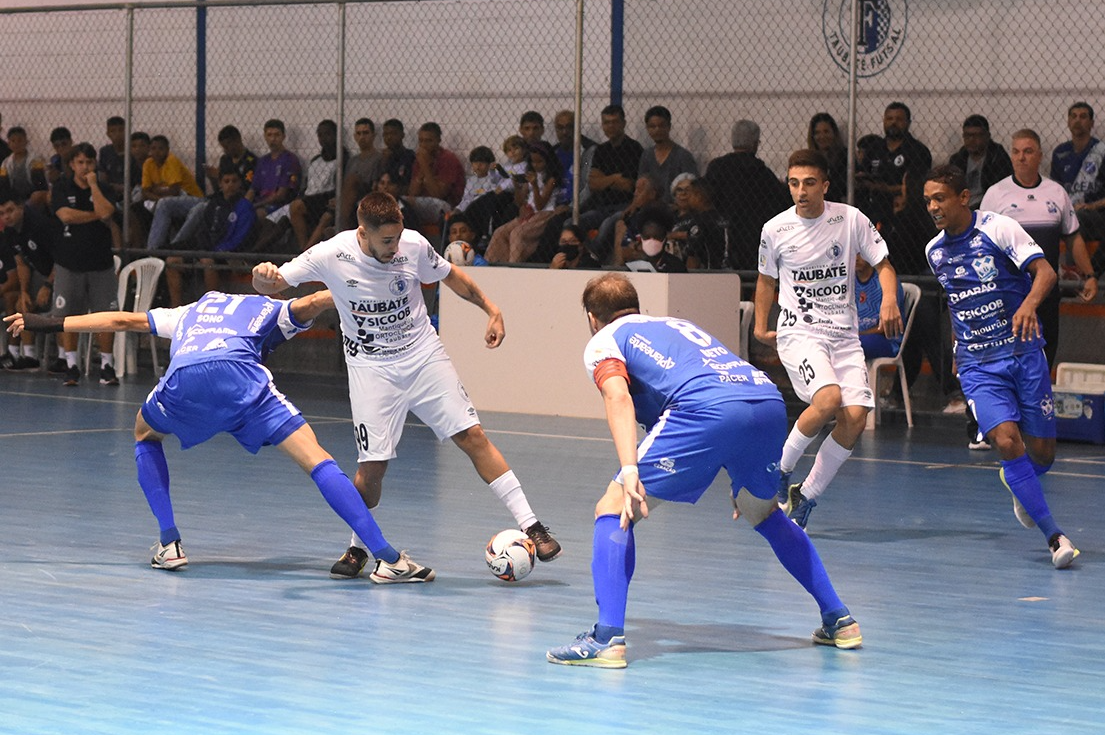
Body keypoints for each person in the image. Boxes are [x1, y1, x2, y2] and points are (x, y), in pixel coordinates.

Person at [4, 290, 435, 582]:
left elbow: (118, 319)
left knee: (144, 433)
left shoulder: (191, 311)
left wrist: (46, 323)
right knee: (315, 458)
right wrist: (375, 290)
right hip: (241, 380)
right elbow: (317, 300)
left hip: (187, 379)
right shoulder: (266, 306)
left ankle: (170, 544)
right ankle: (388, 559)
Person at [545, 273, 862, 668]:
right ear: (637, 306)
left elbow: (617, 396)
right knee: (762, 512)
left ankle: (607, 638)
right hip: (764, 401)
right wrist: (738, 461)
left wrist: (629, 470)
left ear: (593, 317)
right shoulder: (675, 325)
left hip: (706, 410)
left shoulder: (604, 340)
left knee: (613, 508)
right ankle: (839, 619)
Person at [251, 191, 562, 577]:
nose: (395, 246)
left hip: (422, 356)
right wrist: (261, 277)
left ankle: (531, 524)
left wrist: (491, 308)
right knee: (372, 468)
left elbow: (453, 277)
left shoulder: (412, 245)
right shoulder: (330, 254)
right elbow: (273, 285)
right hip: (371, 369)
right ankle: (358, 548)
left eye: (398, 237)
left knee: (473, 436)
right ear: (362, 233)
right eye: (386, 241)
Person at [922, 164, 1079, 569]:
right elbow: (959, 301)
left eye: (940, 198)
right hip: (978, 365)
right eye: (928, 201)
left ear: (962, 198)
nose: (933, 207)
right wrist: (959, 347)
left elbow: (1045, 273)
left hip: (1024, 354)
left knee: (1041, 454)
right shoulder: (935, 251)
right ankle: (1055, 537)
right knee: (1007, 442)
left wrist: (1028, 305)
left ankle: (1018, 480)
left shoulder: (998, 229)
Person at [754, 149, 902, 529]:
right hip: (799, 331)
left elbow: (884, 265)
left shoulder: (850, 219)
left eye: (808, 183)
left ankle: (805, 496)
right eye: (793, 183)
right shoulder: (775, 229)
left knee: (854, 418)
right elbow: (766, 281)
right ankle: (780, 470)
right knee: (829, 399)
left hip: (843, 334)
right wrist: (758, 325)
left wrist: (888, 299)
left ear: (825, 186)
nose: (800, 191)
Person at [981, 128, 1098, 369]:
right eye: (1016, 152)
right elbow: (982, 245)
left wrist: (1089, 276)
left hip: (1046, 292)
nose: (1021, 157)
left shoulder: (1056, 192)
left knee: (1045, 357)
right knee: (1010, 362)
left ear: (1040, 156)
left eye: (1028, 151)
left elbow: (1073, 237)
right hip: (1008, 292)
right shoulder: (995, 194)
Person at [50, 142, 120, 386]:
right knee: (67, 316)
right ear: (71, 165)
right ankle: (71, 365)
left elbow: (107, 212)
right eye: (80, 162)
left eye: (89, 162)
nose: (85, 167)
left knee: (106, 316)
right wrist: (94, 216)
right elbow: (65, 215)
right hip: (69, 264)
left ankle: (107, 366)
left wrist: (93, 185)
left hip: (101, 264)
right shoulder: (61, 188)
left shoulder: (104, 188)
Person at [854, 102, 934, 274]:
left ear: (908, 122)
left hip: (906, 218)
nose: (893, 123)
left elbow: (916, 186)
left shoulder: (918, 151)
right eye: (889, 118)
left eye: (898, 119)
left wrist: (884, 188)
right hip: (874, 213)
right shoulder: (874, 149)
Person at [704, 119, 790, 270]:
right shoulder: (761, 172)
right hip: (753, 236)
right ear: (756, 143)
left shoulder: (717, 167)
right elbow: (779, 201)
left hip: (722, 234)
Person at [164, 165, 256, 306]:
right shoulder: (213, 204)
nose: (230, 185)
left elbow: (241, 238)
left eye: (234, 181)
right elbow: (204, 230)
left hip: (230, 254)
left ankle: (211, 306)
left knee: (207, 262)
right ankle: (175, 307)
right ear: (220, 184)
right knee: (172, 261)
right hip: (207, 250)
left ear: (240, 184)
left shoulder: (244, 206)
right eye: (226, 181)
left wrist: (215, 252)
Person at [578, 105, 644, 263]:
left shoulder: (634, 149)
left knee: (607, 225)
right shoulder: (601, 150)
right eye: (606, 123)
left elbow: (628, 185)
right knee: (573, 222)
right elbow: (593, 184)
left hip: (624, 205)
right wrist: (615, 178)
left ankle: (594, 260)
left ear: (623, 123)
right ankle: (580, 258)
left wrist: (604, 179)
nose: (610, 126)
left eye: (615, 122)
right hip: (602, 206)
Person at [0, 189, 56, 370]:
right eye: (2, 213)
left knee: (61, 309)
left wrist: (47, 285)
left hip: (59, 273)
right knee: (21, 305)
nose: (6, 217)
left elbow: (61, 259)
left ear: (21, 208)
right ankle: (29, 357)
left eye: (10, 211)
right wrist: (24, 291)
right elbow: (21, 264)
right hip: (38, 273)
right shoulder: (9, 232)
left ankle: (64, 359)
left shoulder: (39, 225)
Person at [484, 141, 562, 264]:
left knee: (516, 234)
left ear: (548, 161)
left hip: (544, 214)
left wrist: (535, 185)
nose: (535, 165)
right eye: (532, 161)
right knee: (500, 232)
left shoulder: (551, 179)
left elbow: (540, 205)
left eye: (539, 161)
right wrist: (516, 186)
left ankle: (513, 266)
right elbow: (519, 202)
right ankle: (490, 264)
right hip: (528, 212)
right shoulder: (531, 174)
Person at [1050, 101, 1105, 276]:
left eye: (1083, 117)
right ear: (1067, 121)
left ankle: (1075, 271)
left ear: (1091, 123)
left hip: (1095, 214)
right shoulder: (1060, 152)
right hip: (1067, 211)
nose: (1077, 121)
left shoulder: (1101, 151)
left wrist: (1091, 206)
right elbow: (1055, 189)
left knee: (1077, 217)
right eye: (1073, 116)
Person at [286, 119, 347, 251]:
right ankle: (303, 249)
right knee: (285, 215)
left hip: (327, 199)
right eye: (320, 135)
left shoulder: (343, 158)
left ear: (336, 135)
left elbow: (342, 185)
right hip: (310, 199)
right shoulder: (315, 160)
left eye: (327, 134)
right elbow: (308, 185)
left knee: (321, 217)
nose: (324, 138)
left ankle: (305, 253)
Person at [141, 135, 205, 251]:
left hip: (193, 199)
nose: (157, 152)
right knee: (142, 205)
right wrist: (159, 195)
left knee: (164, 204)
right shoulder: (148, 163)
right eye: (153, 148)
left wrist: (155, 189)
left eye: (161, 148)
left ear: (167, 150)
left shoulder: (171, 160)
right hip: (168, 200)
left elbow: (174, 191)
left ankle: (153, 250)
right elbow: (145, 192)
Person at [948, 115, 1013, 210]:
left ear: (987, 136)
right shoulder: (957, 159)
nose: (971, 140)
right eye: (967, 136)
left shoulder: (997, 158)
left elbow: (1002, 189)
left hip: (989, 207)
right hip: (962, 207)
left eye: (976, 135)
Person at [637, 105, 698, 204]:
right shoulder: (646, 155)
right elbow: (641, 187)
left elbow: (693, 189)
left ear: (669, 127)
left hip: (676, 210)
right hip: (650, 209)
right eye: (652, 126)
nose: (657, 130)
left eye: (661, 126)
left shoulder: (683, 156)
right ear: (647, 128)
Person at [855, 254, 905, 360]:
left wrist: (856, 335)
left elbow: (886, 327)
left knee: (853, 345)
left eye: (860, 253)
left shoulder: (887, 284)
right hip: (855, 336)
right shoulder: (849, 281)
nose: (856, 258)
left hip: (886, 341)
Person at [249, 119, 301, 220]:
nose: (273, 139)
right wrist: (244, 205)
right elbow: (252, 189)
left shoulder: (290, 159)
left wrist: (254, 205)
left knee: (254, 215)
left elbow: (281, 195)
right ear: (265, 137)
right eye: (269, 135)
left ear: (283, 136)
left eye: (277, 135)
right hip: (260, 203)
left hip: (279, 205)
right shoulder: (262, 161)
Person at [340, 117, 384, 228]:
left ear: (373, 135)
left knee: (352, 179)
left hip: (368, 193)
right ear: (355, 137)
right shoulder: (352, 160)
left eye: (365, 133)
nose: (362, 137)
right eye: (358, 134)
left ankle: (340, 228)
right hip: (350, 195)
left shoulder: (379, 157)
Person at [0, 126, 49, 210]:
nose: (16, 144)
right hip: (14, 199)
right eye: (13, 141)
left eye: (20, 140)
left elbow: (40, 183)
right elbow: (4, 185)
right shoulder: (6, 163)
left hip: (32, 198)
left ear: (26, 142)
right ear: (8, 144)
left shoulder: (35, 160)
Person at [807, 112, 848, 202]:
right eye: (817, 133)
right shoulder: (809, 158)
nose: (822, 136)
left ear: (834, 133)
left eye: (826, 131)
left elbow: (841, 187)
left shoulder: (844, 156)